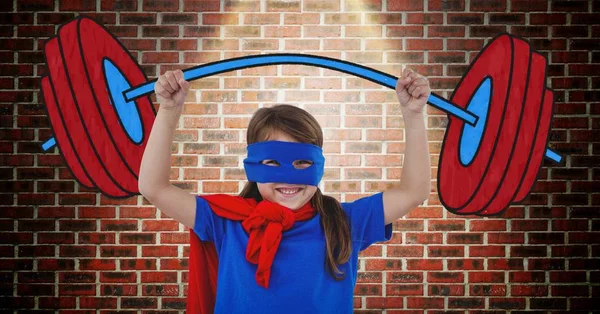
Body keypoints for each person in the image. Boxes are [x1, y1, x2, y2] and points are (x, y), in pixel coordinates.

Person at [138, 68, 431, 313]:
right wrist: (169, 110)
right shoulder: (225, 221)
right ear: (252, 166)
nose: (289, 177)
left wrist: (413, 115)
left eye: (303, 162)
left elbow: (412, 192)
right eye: (273, 162)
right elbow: (153, 187)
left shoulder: (344, 221)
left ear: (318, 165)